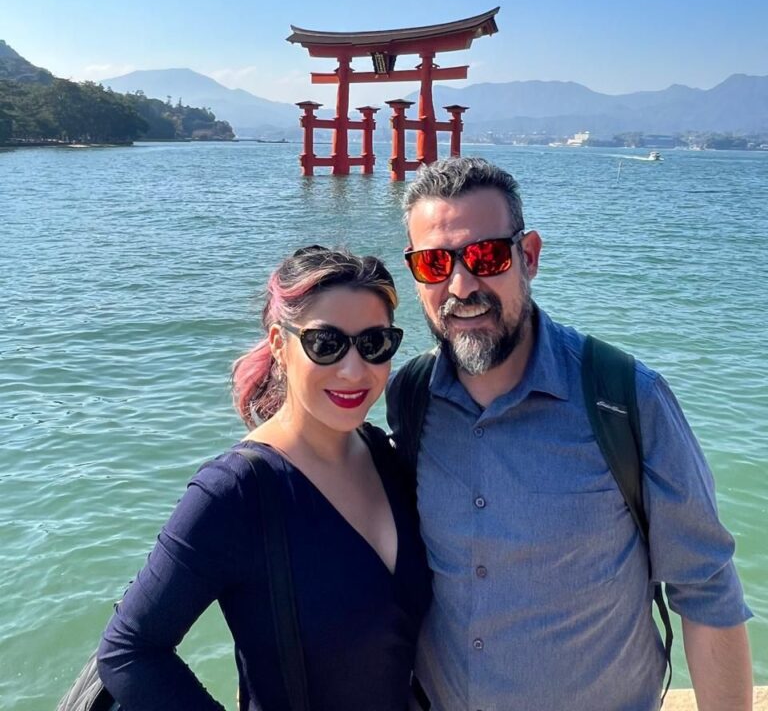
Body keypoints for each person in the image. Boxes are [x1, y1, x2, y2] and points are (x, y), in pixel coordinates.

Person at [387, 156, 752, 711]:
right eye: (434, 263)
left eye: (486, 256)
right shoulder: (412, 397)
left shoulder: (626, 398)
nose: (461, 285)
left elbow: (706, 591)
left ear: (528, 256)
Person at [98, 246, 431, 711]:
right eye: (326, 343)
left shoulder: (387, 457)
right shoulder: (234, 492)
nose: (354, 369)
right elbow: (129, 651)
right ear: (279, 343)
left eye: (374, 343)